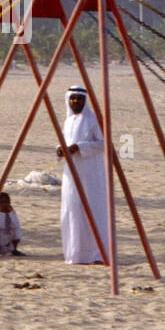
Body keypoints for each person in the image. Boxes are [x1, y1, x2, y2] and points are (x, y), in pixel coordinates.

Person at [57, 86, 109, 264]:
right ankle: (76, 255)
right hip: (71, 173)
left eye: (79, 98)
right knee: (73, 210)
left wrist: (80, 147)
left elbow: (104, 143)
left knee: (92, 211)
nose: (76, 102)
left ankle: (97, 254)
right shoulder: (68, 121)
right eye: (73, 98)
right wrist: (61, 150)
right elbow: (63, 142)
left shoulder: (93, 119)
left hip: (91, 173)